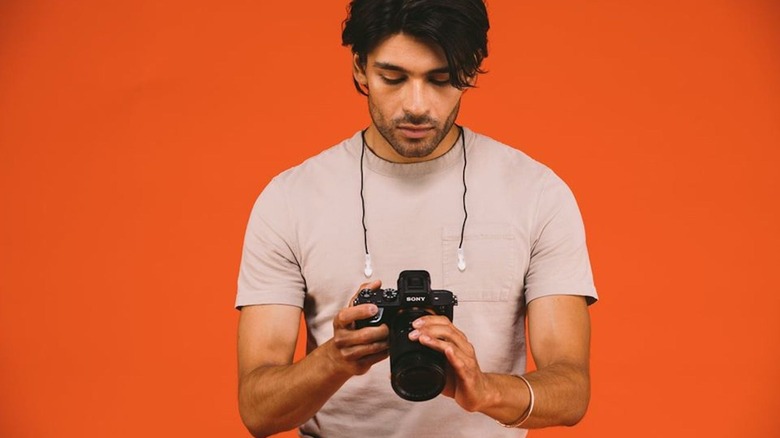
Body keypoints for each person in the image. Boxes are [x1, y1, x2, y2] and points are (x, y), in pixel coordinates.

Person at [235, 1, 598, 437]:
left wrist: (484, 391)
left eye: (441, 79)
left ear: (470, 71)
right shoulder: (290, 200)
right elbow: (257, 409)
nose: (416, 105)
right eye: (393, 78)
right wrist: (334, 360)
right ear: (359, 68)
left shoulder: (536, 193)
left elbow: (571, 389)